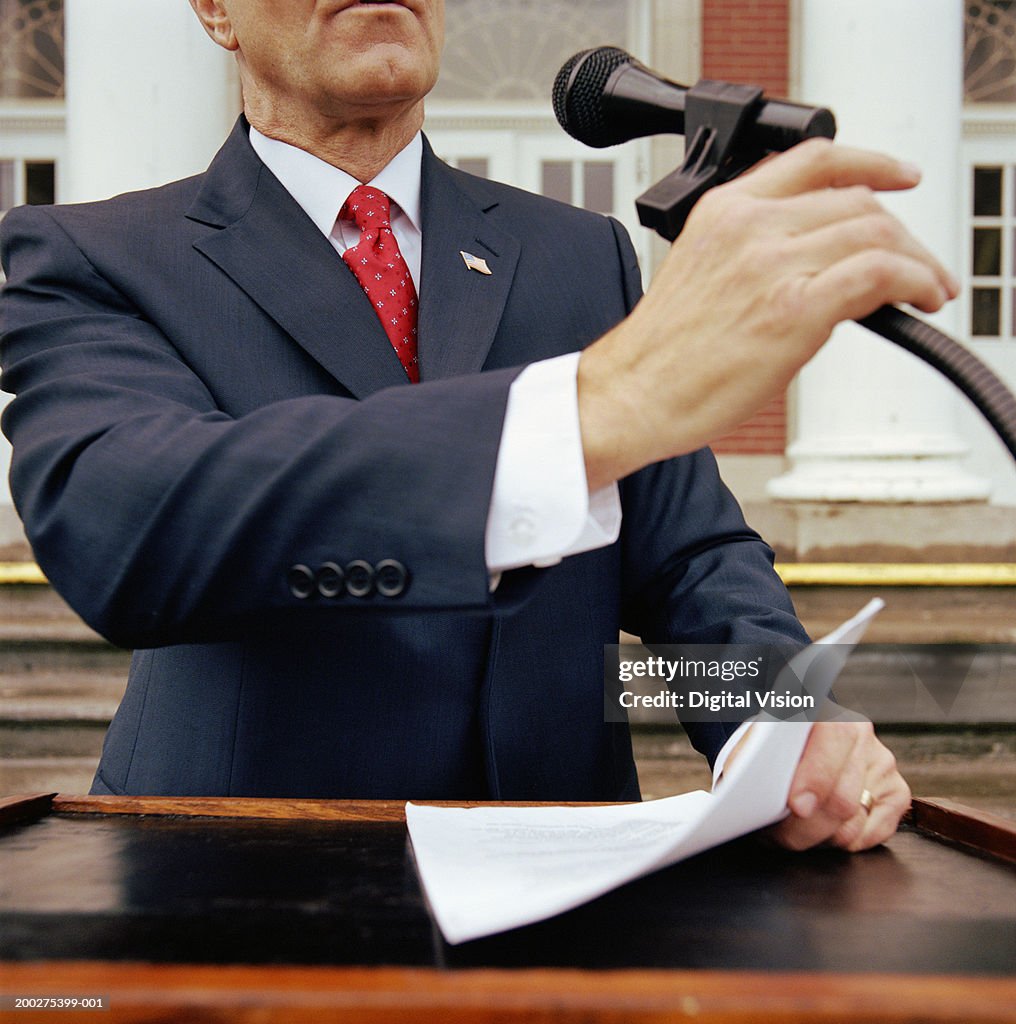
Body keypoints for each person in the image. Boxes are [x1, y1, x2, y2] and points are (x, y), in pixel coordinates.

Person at [0, 0, 949, 853]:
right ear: (215, 10)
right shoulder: (96, 256)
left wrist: (776, 723)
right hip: (236, 866)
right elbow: (132, 528)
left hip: (564, 870)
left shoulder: (581, 254)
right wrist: (590, 407)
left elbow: (689, 557)